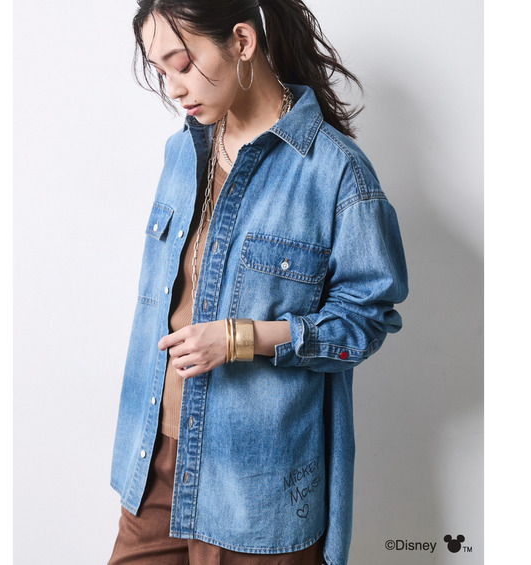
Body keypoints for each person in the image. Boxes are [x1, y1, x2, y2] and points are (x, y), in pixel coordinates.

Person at [108, 1, 408, 564]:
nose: (173, 87)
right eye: (160, 71)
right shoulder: (182, 152)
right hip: (154, 459)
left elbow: (365, 323)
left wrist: (240, 338)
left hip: (255, 484)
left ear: (242, 42)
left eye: (182, 63)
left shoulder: (337, 173)